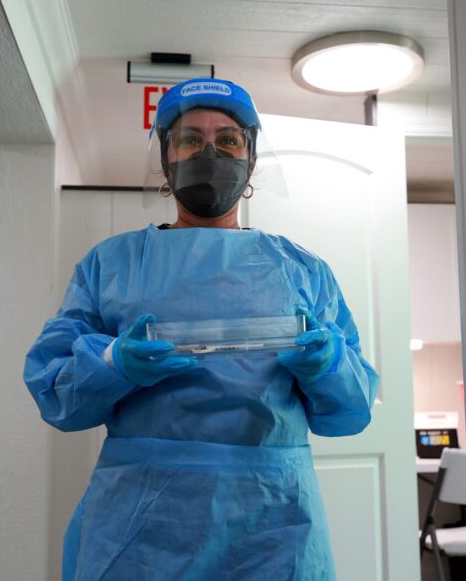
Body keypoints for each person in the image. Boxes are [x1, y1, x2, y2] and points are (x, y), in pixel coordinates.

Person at [24, 78, 379, 580]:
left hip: (274, 525)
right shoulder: (112, 264)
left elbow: (353, 409)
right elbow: (54, 392)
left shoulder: (302, 270)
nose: (210, 152)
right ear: (167, 160)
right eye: (190, 139)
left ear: (250, 159)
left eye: (229, 140)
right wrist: (112, 363)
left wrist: (329, 365)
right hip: (142, 530)